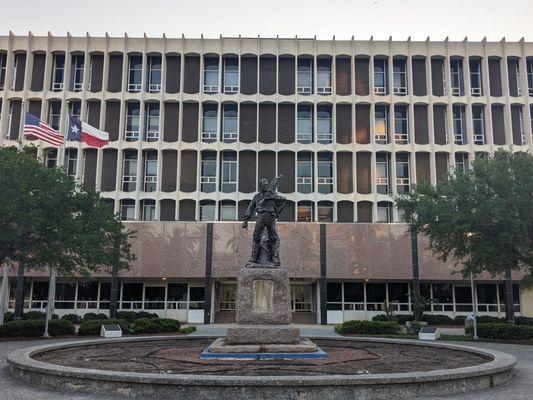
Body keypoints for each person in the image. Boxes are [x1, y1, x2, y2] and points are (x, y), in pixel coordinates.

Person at [242, 176, 286, 265]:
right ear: (260, 186)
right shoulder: (257, 197)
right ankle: (253, 257)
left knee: (273, 238)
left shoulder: (272, 194)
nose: (265, 186)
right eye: (264, 185)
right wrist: (245, 220)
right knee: (256, 237)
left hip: (271, 217)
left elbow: (283, 200)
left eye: (266, 185)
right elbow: (251, 208)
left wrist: (273, 197)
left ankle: (274, 258)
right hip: (260, 217)